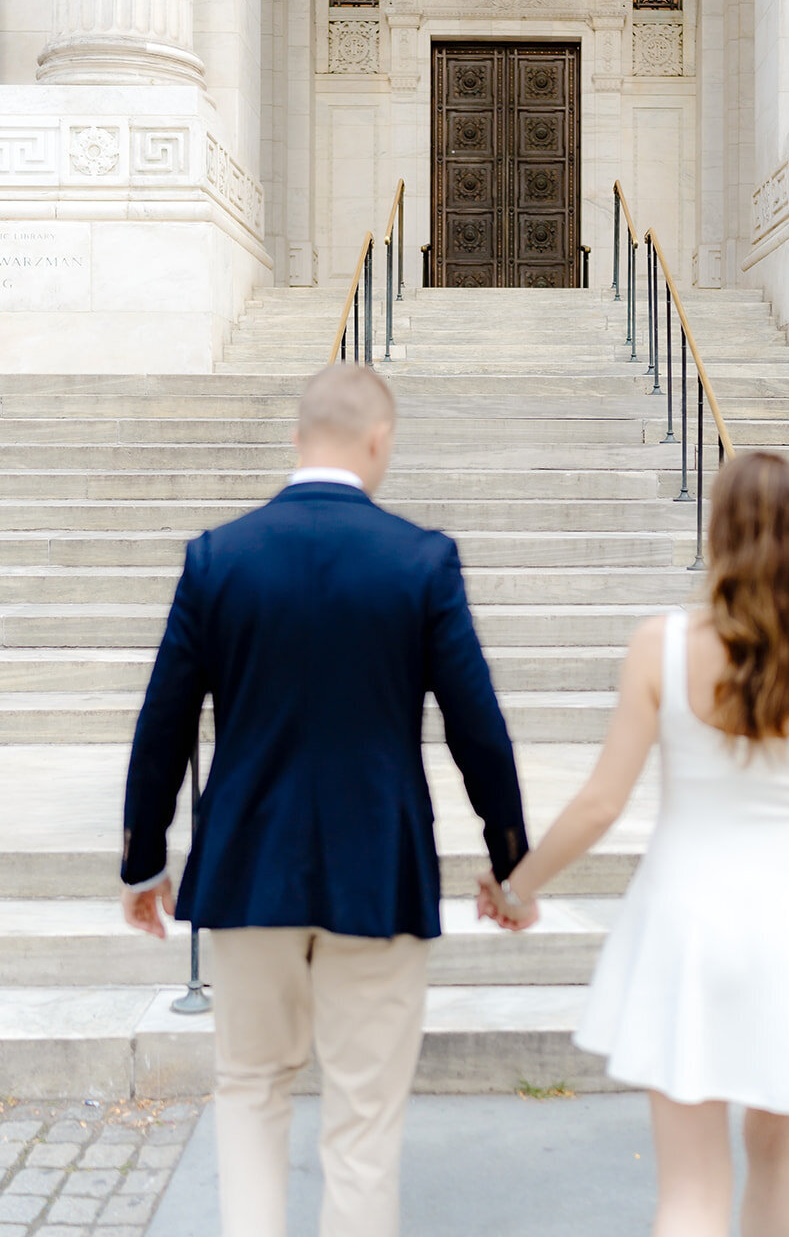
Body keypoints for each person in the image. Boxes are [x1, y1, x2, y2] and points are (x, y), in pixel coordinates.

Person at [121, 363, 532, 1237]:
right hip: (375, 873)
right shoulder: (420, 561)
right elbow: (478, 731)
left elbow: (162, 722)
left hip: (247, 865)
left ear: (297, 438)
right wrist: (510, 861)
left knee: (249, 1089)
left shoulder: (217, 557)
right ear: (378, 440)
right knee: (363, 1117)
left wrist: (142, 859)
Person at [479, 449, 789, 1237]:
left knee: (689, 1189)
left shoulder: (661, 645)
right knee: (782, 1158)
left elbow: (599, 804)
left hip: (685, 920)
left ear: (717, 532)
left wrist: (519, 889)